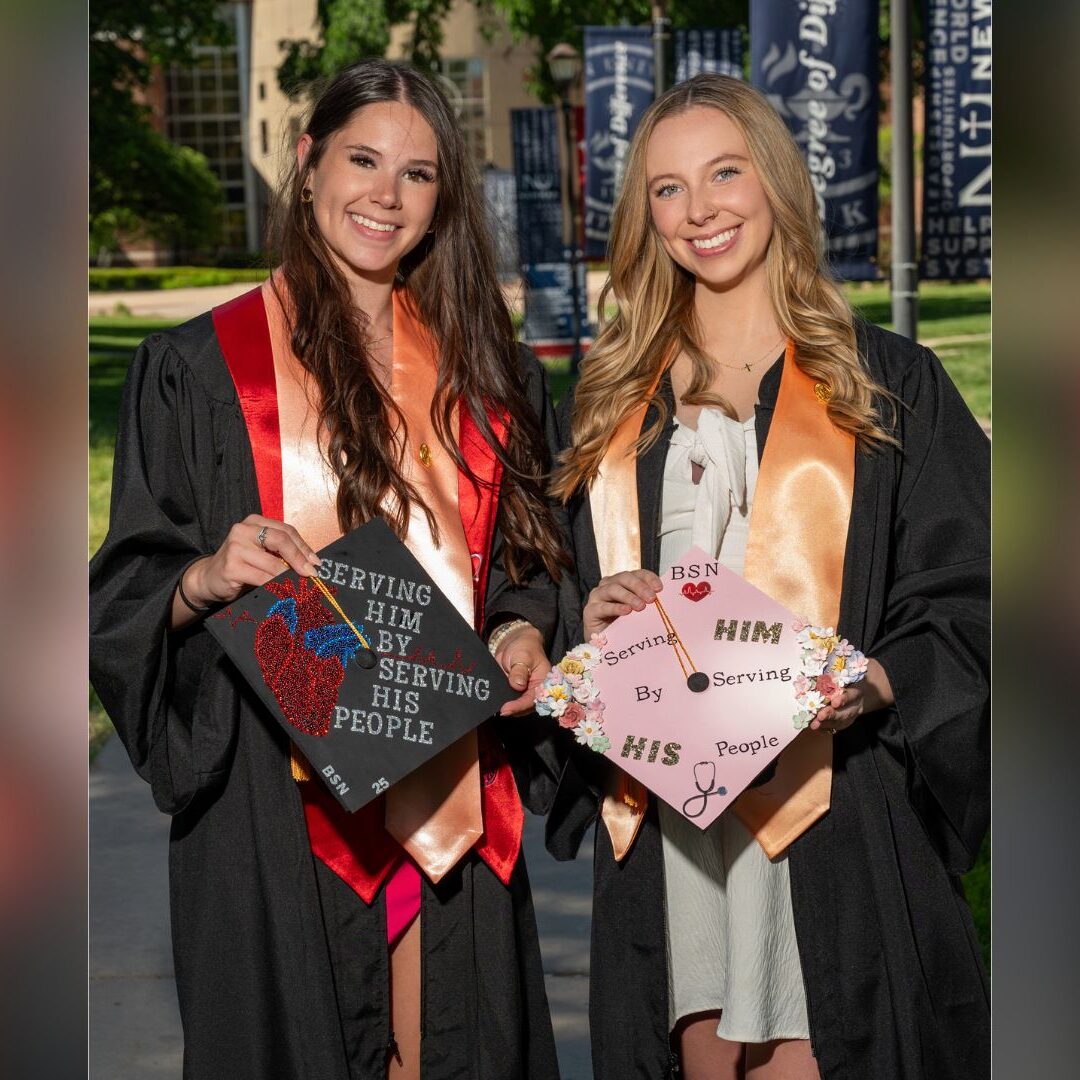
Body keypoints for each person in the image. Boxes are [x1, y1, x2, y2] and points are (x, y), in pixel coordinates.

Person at [90, 60, 567, 1080]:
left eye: (419, 174)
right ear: (307, 163)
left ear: (444, 203)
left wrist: (525, 624)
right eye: (362, 158)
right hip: (276, 799)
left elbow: (532, 557)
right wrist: (206, 576)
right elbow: (128, 582)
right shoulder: (198, 368)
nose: (385, 195)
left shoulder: (492, 374)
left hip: (453, 784)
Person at [545, 75, 989, 1080]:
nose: (699, 209)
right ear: (644, 215)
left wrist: (877, 680)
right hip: (671, 829)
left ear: (776, 183)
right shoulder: (616, 412)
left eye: (724, 172)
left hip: (833, 818)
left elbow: (975, 590)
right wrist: (593, 613)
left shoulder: (885, 388)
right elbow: (550, 601)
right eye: (667, 189)